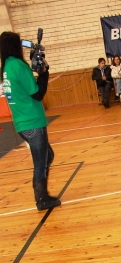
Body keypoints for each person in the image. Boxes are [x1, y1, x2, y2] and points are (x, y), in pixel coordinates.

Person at [0, 31, 61, 211]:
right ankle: (41, 198)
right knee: (41, 161)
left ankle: (40, 191)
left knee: (47, 156)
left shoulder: (6, 67)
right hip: (32, 120)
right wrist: (43, 73)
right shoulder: (18, 65)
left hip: (22, 121)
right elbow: (37, 93)